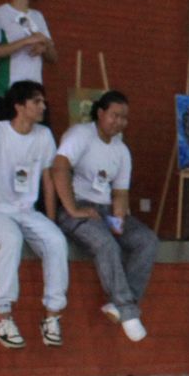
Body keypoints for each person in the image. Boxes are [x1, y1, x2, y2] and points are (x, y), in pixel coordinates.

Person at [0, 80, 67, 349]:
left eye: (43, 101)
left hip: (28, 212)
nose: (43, 106)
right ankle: (3, 316)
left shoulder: (44, 135)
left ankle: (52, 316)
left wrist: (51, 222)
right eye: (36, 101)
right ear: (19, 106)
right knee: (11, 240)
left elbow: (48, 180)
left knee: (57, 241)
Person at [51, 90, 157, 342]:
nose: (119, 122)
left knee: (147, 240)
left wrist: (118, 220)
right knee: (106, 244)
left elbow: (120, 193)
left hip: (105, 210)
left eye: (124, 118)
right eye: (115, 116)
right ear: (100, 113)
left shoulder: (122, 150)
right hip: (78, 208)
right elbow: (59, 167)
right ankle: (128, 311)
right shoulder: (80, 135)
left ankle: (118, 305)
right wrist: (72, 208)